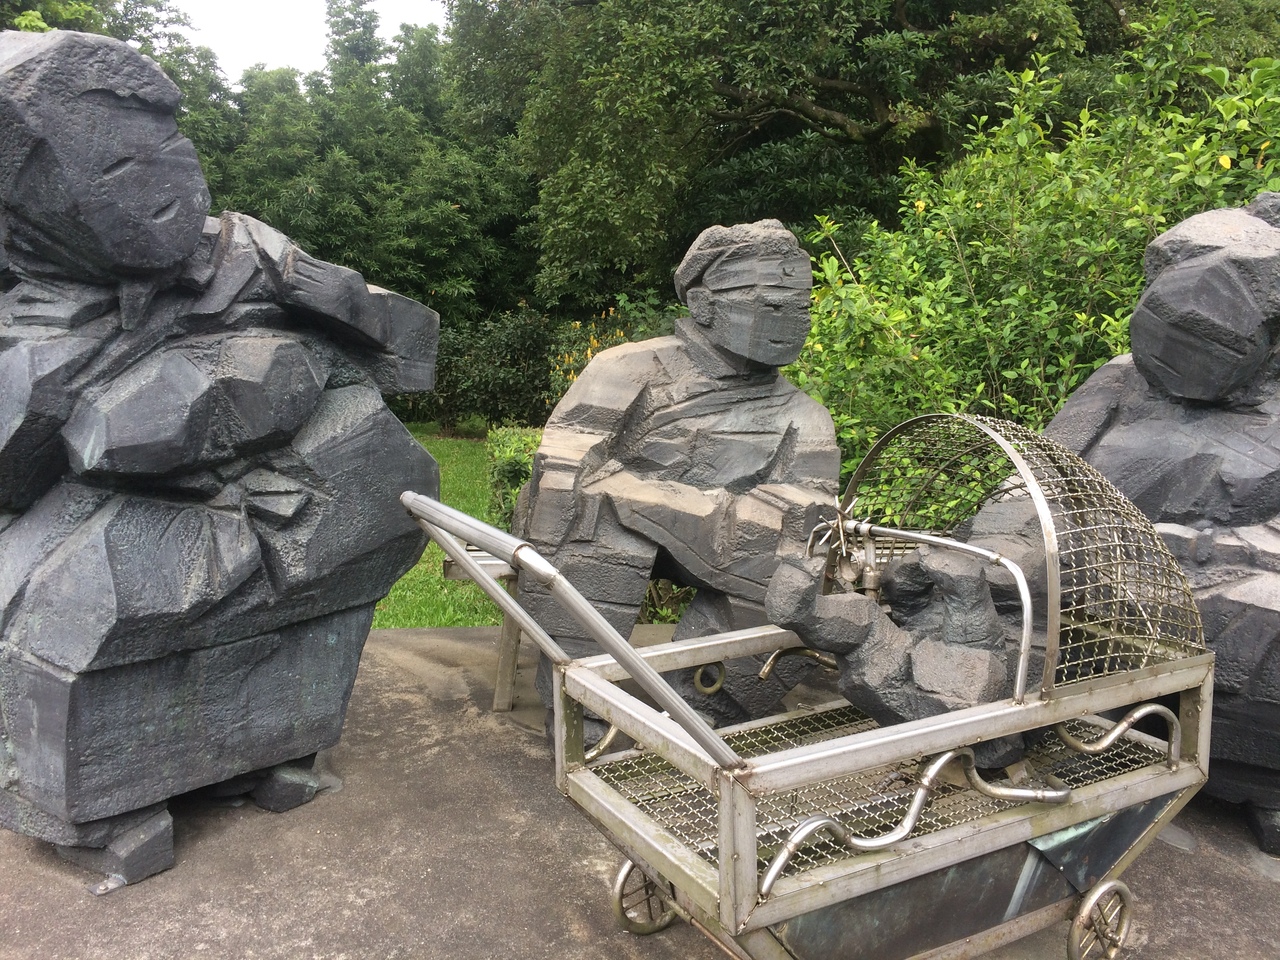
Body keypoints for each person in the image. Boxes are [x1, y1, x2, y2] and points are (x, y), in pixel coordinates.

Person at [515, 219, 840, 726]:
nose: (792, 321)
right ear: (703, 305)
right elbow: (566, 461)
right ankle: (581, 703)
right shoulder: (627, 369)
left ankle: (706, 705)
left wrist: (691, 511)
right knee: (594, 525)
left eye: (800, 307)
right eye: (772, 306)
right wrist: (642, 503)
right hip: (614, 530)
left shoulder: (805, 415)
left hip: (718, 544)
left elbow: (810, 502)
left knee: (801, 566)